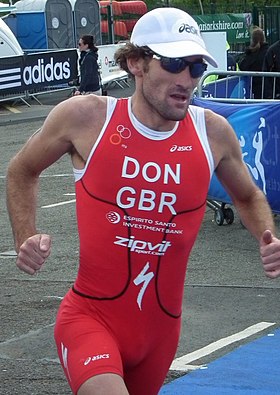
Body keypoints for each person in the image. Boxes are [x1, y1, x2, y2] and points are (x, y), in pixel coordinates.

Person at [6, 7, 280, 395]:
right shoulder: (86, 118)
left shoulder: (213, 133)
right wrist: (25, 236)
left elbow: (248, 195)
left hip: (160, 333)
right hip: (90, 320)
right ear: (136, 62)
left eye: (196, 68)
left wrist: (268, 237)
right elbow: (21, 170)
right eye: (173, 63)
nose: (187, 79)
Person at [238, 27, 269, 99]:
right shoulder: (268, 51)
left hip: (253, 88)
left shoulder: (251, 55)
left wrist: (247, 52)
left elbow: (242, 66)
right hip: (268, 88)